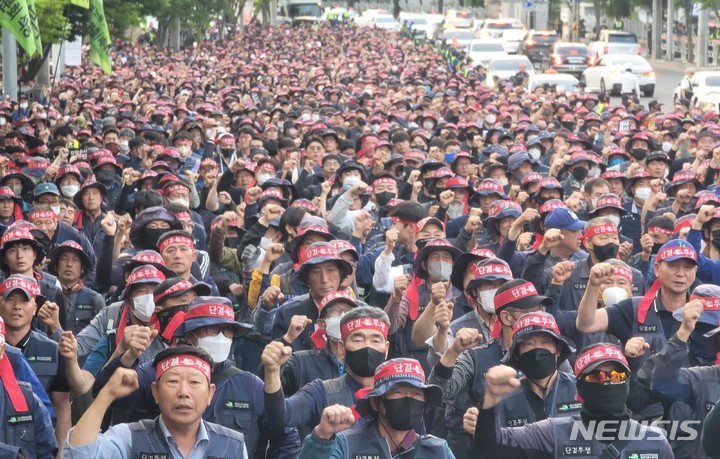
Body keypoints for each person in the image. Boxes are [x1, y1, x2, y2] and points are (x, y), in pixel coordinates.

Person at [470, 343, 673, 458]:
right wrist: (492, 399)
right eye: (597, 376)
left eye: (617, 376)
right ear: (580, 388)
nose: (608, 381)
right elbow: (491, 446)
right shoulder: (553, 433)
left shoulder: (655, 441)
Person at [63, 345, 249, 458]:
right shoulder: (130, 438)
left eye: (194, 382)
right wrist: (106, 395)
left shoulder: (232, 445)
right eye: (173, 382)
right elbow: (79, 453)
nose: (183, 392)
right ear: (155, 392)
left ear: (210, 394)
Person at [298, 358, 454, 458]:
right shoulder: (347, 443)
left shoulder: (437, 450)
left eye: (416, 393)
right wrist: (322, 437)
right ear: (376, 402)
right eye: (398, 392)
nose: (409, 399)